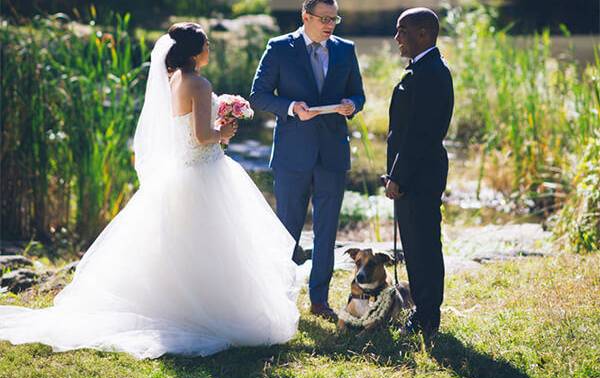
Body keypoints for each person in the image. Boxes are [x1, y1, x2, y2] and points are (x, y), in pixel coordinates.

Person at [0, 23, 300, 359]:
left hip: (183, 171)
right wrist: (225, 130)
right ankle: (210, 312)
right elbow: (203, 135)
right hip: (204, 170)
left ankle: (180, 308)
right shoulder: (199, 84)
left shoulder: (174, 80)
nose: (210, 48)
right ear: (194, 53)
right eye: (206, 44)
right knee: (212, 245)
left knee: (183, 246)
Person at [250, 0, 365, 321]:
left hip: (332, 154)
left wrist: (350, 104)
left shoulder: (345, 49)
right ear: (305, 17)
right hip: (291, 155)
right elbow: (258, 95)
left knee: (327, 232)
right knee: (286, 231)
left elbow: (359, 94)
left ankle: (319, 301)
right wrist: (290, 107)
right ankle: (280, 300)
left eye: (334, 19)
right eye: (324, 19)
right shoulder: (278, 48)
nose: (330, 24)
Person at [383, 8, 454, 339]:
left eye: (403, 31)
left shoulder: (431, 74)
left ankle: (427, 317)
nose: (397, 38)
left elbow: (421, 135)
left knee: (423, 245)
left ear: (423, 33)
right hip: (414, 171)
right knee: (414, 244)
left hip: (420, 173)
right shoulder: (421, 70)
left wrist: (398, 176)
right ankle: (424, 311)